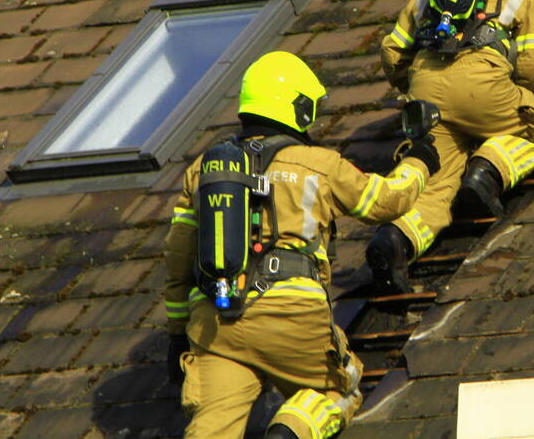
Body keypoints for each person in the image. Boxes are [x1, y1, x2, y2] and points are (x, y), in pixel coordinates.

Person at [164, 51, 439, 439]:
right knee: (339, 390)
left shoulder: (204, 170)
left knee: (212, 426)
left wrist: (177, 334)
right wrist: (421, 160)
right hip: (290, 313)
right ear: (297, 107)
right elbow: (385, 200)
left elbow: (177, 260)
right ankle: (289, 432)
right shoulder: (318, 164)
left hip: (215, 322)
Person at [366, 0, 534, 295]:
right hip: (483, 86)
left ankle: (396, 238)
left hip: (426, 92)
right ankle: (486, 173)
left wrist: (414, 87)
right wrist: (518, 94)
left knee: (435, 183)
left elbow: (392, 54)